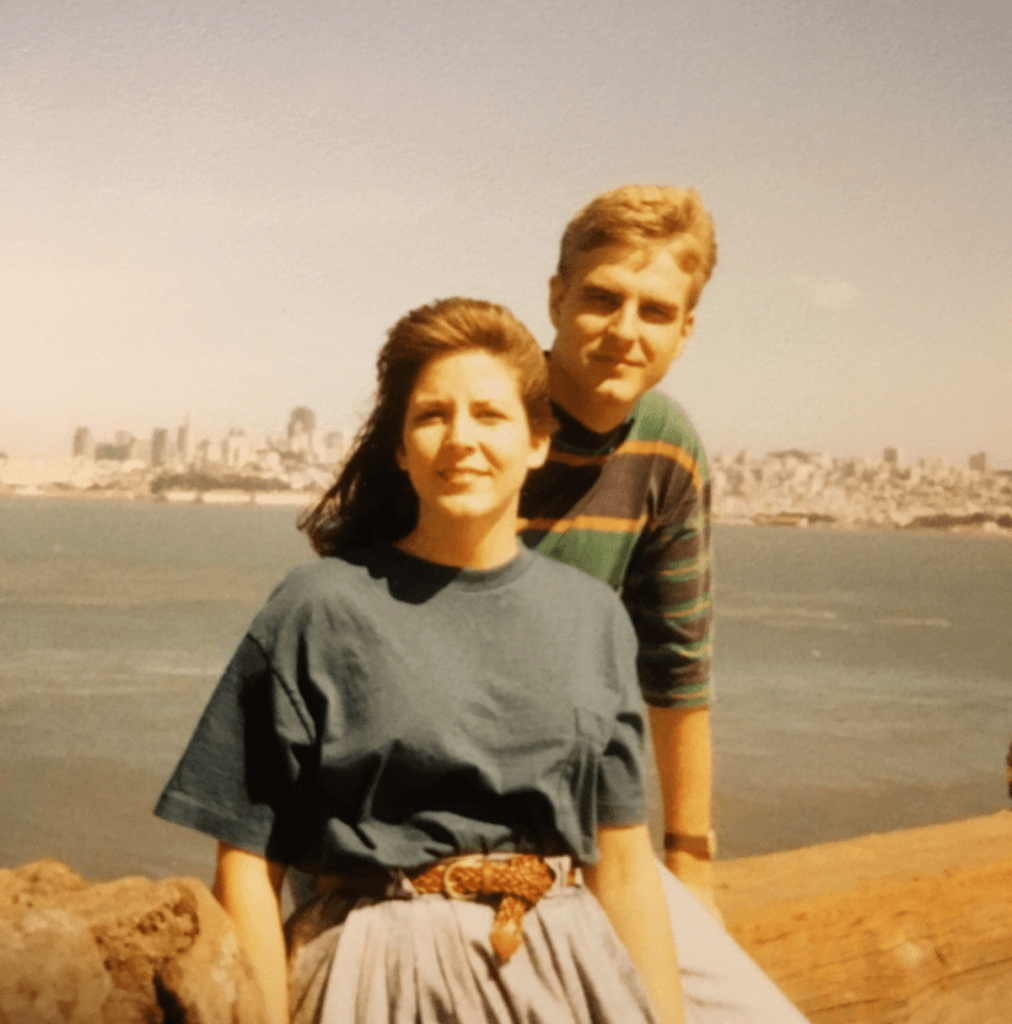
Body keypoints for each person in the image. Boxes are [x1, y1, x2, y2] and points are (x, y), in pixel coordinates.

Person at [155, 298, 686, 1024]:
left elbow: (622, 866)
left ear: (538, 441)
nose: (460, 439)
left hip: (567, 975)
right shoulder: (318, 607)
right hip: (376, 978)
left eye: (490, 415)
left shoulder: (594, 618)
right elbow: (247, 863)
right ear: (401, 448)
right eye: (432, 415)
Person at [520, 185, 810, 1021]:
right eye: (603, 298)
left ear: (686, 330)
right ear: (556, 298)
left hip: (589, 842)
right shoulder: (482, 416)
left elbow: (678, 671)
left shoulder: (667, 446)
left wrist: (691, 867)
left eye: (656, 311)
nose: (625, 330)